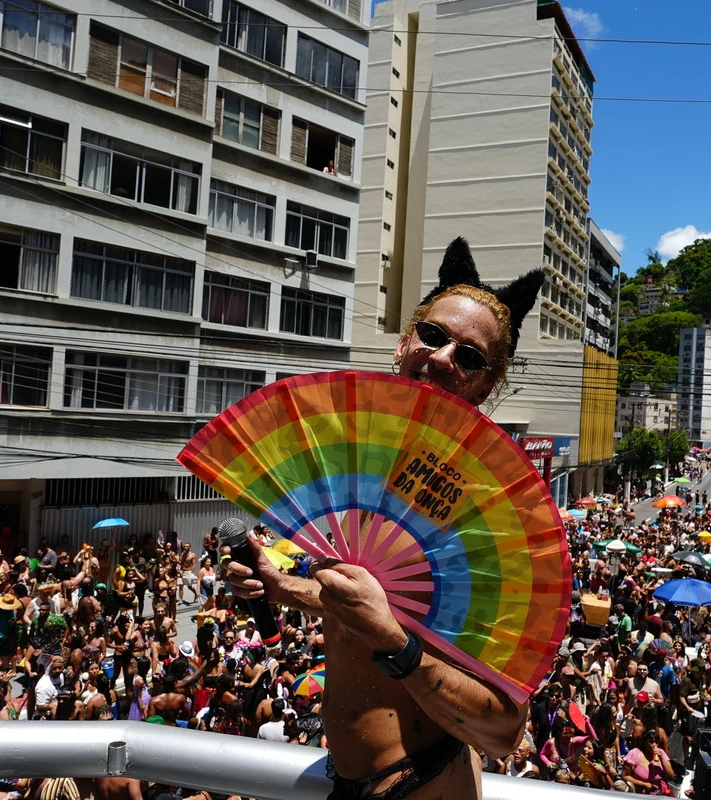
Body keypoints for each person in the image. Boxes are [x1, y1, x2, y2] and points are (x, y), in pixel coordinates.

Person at [225, 238, 545, 800]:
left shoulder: (490, 517)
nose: (443, 357)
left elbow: (504, 732)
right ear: (404, 344)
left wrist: (399, 648)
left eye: (470, 357)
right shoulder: (364, 474)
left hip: (423, 784)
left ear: (486, 385)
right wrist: (283, 588)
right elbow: (368, 604)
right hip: (344, 780)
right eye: (434, 335)